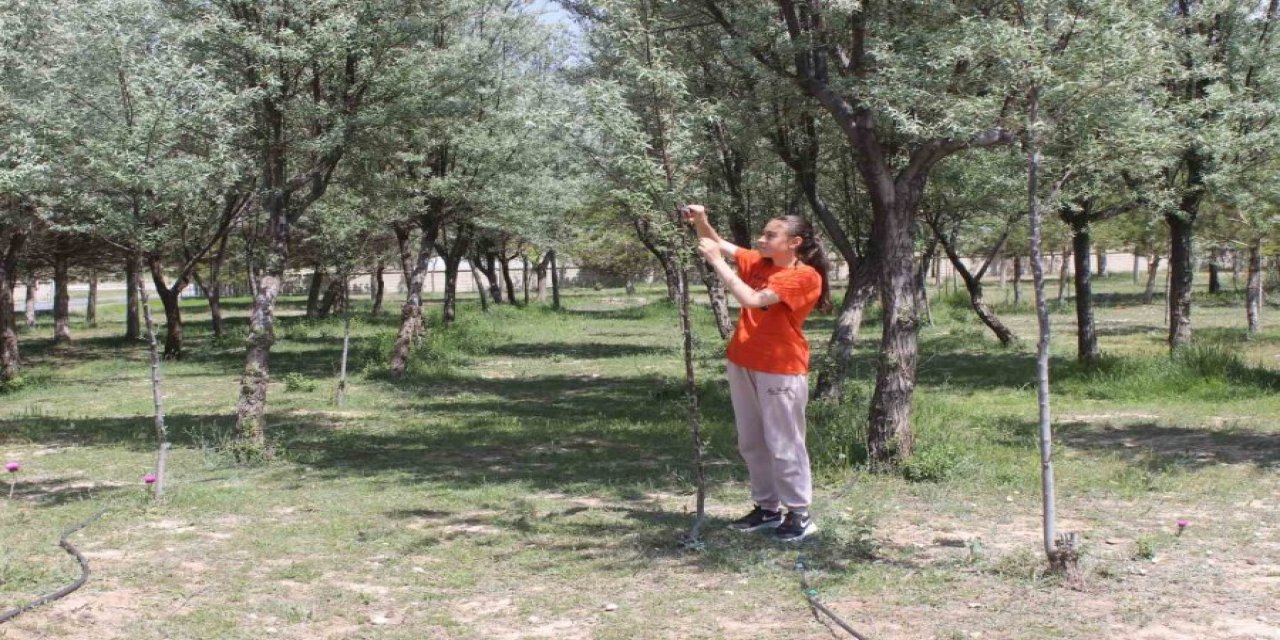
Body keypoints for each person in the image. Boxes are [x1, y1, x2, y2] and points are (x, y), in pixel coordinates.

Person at [683, 204, 832, 542]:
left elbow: (751, 299)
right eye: (763, 234)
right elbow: (716, 243)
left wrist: (717, 263)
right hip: (743, 361)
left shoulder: (804, 276)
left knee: (784, 441)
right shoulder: (760, 261)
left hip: (780, 368)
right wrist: (701, 221)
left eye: (770, 235)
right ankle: (767, 508)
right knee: (751, 440)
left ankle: (799, 513)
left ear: (794, 243)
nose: (761, 239)